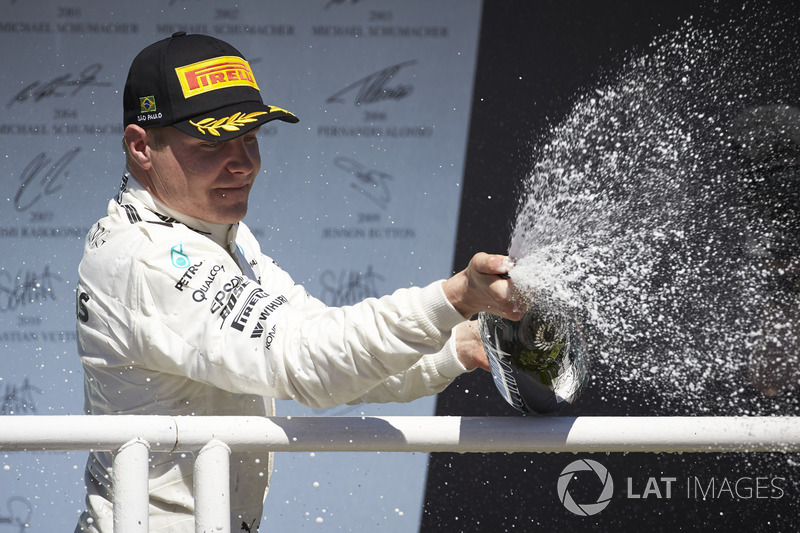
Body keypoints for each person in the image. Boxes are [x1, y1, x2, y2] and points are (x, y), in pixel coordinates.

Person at [74, 32, 523, 532]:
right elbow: (308, 362)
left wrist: (458, 346)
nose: (243, 163)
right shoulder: (149, 258)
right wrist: (456, 297)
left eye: (249, 138)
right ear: (141, 147)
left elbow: (327, 343)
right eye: (213, 142)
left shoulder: (215, 236)